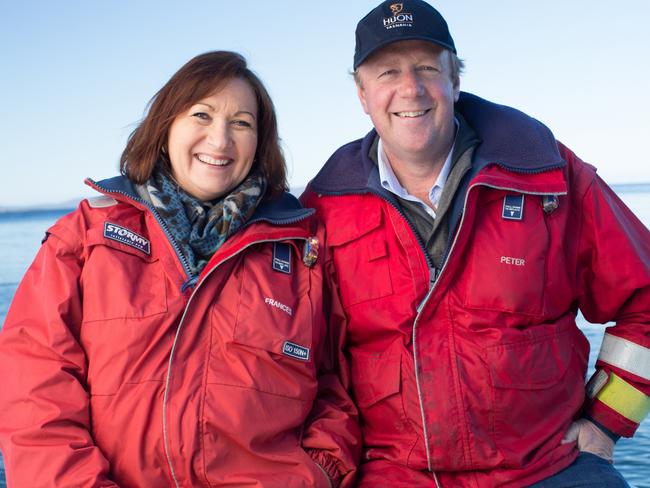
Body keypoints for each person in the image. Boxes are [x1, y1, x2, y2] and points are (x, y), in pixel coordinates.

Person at [301, 1, 650, 486]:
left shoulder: (549, 177)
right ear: (363, 94)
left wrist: (605, 423)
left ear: (455, 80)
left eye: (427, 68)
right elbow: (305, 362)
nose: (410, 88)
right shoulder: (322, 209)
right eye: (387, 72)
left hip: (550, 468)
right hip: (394, 476)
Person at [0, 51, 360, 487]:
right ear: (167, 124)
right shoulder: (86, 235)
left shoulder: (301, 253)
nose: (221, 140)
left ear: (260, 142)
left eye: (241, 123)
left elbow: (334, 390)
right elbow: (32, 388)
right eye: (202, 115)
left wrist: (319, 476)